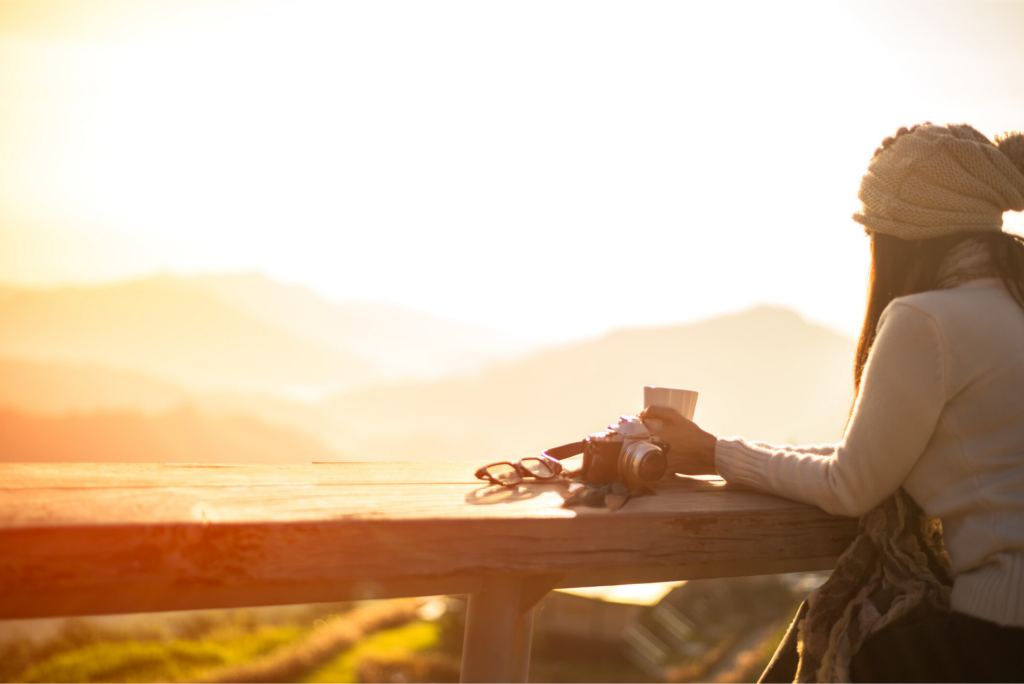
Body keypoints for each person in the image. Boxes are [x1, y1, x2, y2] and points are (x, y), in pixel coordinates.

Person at [642, 122, 1024, 682]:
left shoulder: (927, 321)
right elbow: (880, 453)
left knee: (835, 643)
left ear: (902, 234)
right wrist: (722, 451)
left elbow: (852, 482)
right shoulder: (1010, 307)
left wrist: (714, 454)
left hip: (997, 637)